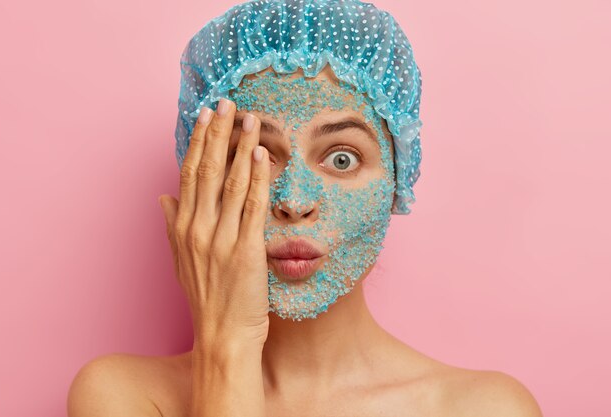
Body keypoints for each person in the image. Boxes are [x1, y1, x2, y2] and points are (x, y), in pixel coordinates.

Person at [68, 1, 543, 416]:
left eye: (342, 158)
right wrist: (229, 348)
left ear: (398, 177)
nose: (293, 202)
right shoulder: (124, 396)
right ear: (205, 178)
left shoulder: (485, 409)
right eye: (254, 157)